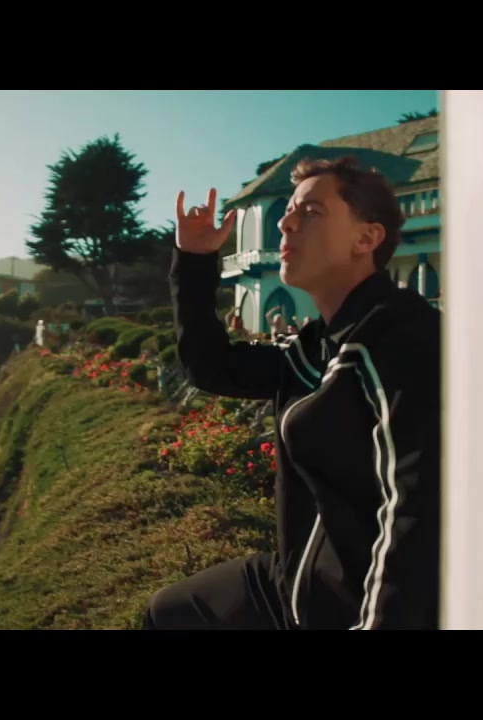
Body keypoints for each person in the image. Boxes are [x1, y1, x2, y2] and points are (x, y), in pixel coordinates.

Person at [144, 156, 442, 630]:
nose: (285, 223)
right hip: (298, 586)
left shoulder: (400, 338)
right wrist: (196, 261)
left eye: (311, 212)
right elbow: (213, 367)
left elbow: (416, 509)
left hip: (354, 605)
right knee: (171, 612)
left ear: (366, 238)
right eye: (287, 211)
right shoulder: (318, 344)